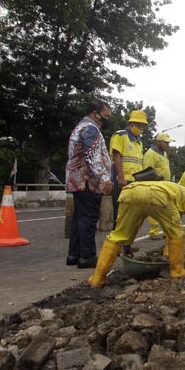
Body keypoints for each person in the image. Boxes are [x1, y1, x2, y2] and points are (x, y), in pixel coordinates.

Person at [88, 181, 185, 287]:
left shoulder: (173, 188)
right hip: (158, 195)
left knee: (118, 235)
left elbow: (135, 222)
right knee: (177, 234)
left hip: (130, 192)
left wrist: (127, 246)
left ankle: (97, 279)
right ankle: (178, 272)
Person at [65, 99, 114, 268]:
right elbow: (92, 156)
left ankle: (74, 254)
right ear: (95, 113)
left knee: (80, 217)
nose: (108, 119)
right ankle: (87, 256)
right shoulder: (90, 129)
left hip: (78, 179)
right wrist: (104, 178)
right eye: (106, 116)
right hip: (87, 180)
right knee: (89, 218)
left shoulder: (81, 127)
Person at [109, 110, 148, 228]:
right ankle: (115, 245)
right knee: (120, 214)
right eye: (139, 125)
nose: (141, 128)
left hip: (135, 182)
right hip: (122, 181)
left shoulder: (139, 142)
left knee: (132, 215)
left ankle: (126, 245)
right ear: (131, 123)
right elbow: (117, 156)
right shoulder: (120, 136)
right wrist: (120, 177)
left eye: (143, 126)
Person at [142, 132, 174, 239]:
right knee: (154, 209)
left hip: (165, 186)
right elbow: (147, 171)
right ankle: (154, 232)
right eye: (166, 143)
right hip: (155, 186)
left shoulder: (164, 154)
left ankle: (166, 231)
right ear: (159, 142)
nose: (168, 145)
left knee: (166, 209)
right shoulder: (150, 154)